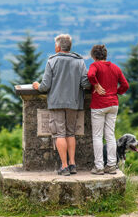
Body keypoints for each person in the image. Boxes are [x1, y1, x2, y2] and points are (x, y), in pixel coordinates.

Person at [32, 34, 90, 176]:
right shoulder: (80, 61)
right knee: (71, 133)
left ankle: (64, 166)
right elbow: (85, 84)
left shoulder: (52, 61)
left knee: (60, 134)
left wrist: (37, 86)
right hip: (74, 102)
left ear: (58, 47)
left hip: (56, 102)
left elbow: (45, 86)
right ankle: (72, 164)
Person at [88, 44, 129, 175]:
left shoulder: (95, 66)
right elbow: (125, 85)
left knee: (97, 136)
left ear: (93, 56)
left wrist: (96, 84)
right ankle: (111, 165)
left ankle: (99, 167)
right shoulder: (115, 67)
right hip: (113, 104)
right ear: (106, 55)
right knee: (110, 135)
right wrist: (116, 92)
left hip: (99, 104)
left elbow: (90, 75)